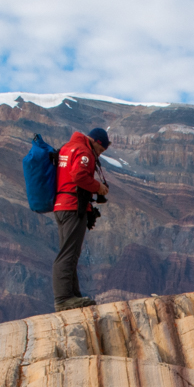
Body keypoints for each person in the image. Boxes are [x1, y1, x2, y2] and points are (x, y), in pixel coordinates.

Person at [51, 126, 111, 311]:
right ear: (96, 142)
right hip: (72, 206)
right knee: (68, 254)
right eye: (100, 151)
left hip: (61, 204)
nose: (99, 155)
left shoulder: (67, 147)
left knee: (70, 252)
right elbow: (78, 175)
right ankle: (63, 299)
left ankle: (73, 296)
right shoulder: (84, 151)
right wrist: (97, 187)